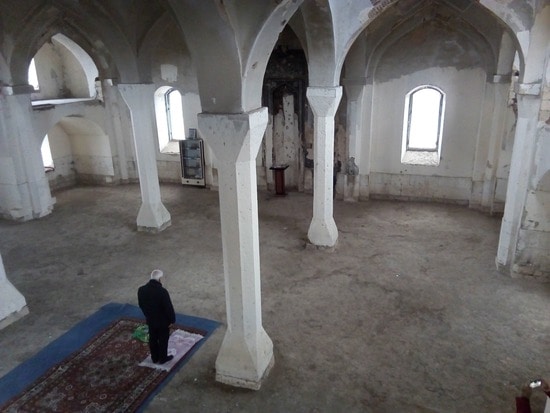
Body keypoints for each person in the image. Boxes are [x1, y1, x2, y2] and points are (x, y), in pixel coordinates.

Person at [138, 269, 176, 364]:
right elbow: (168, 308)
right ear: (159, 279)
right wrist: (172, 320)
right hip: (163, 322)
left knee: (153, 338)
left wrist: (148, 315)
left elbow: (141, 305)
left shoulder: (141, 290)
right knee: (163, 339)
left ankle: (154, 358)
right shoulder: (162, 292)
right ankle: (163, 358)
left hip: (151, 320)